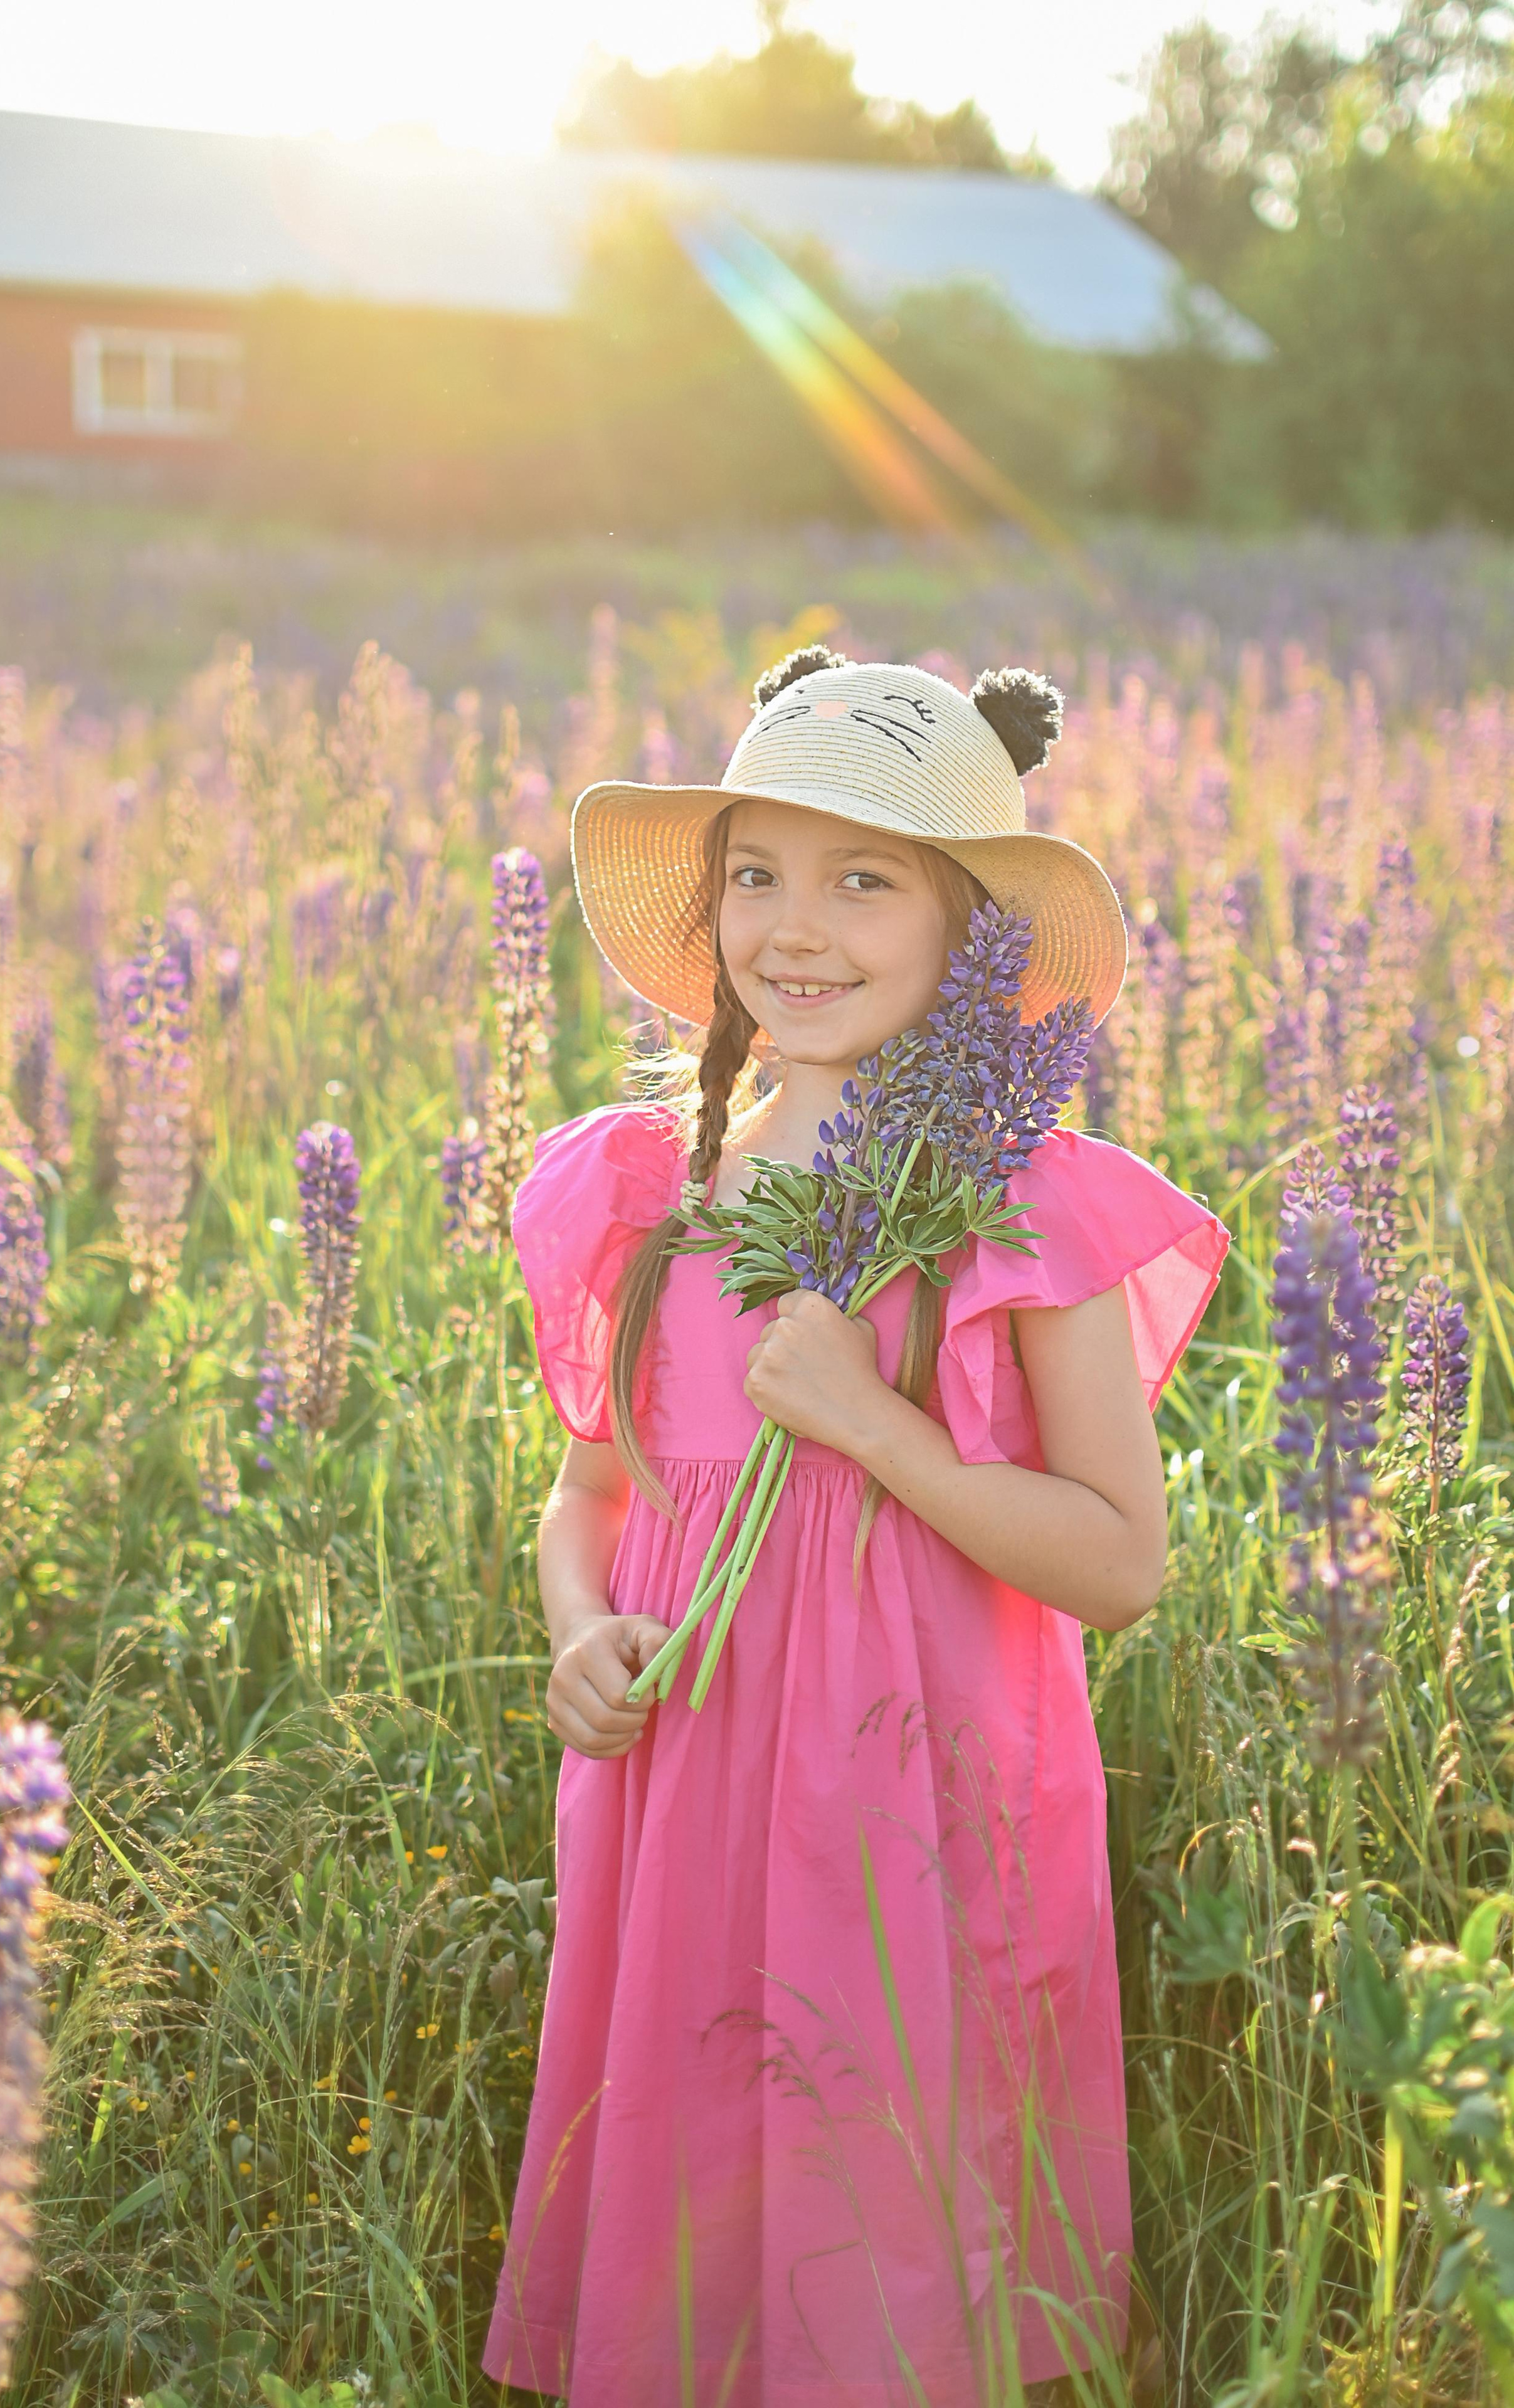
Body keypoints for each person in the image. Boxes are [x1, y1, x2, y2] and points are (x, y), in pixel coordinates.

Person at [481, 648, 1229, 2406]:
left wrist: (877, 1425)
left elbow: (1120, 1563)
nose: (794, 928)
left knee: (886, 2195)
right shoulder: (648, 1192)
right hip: (681, 1780)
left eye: (862, 879)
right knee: (695, 2195)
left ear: (971, 928)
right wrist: (578, 1629)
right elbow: (592, 1495)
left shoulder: (1020, 1207)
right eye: (757, 874)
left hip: (910, 1796)